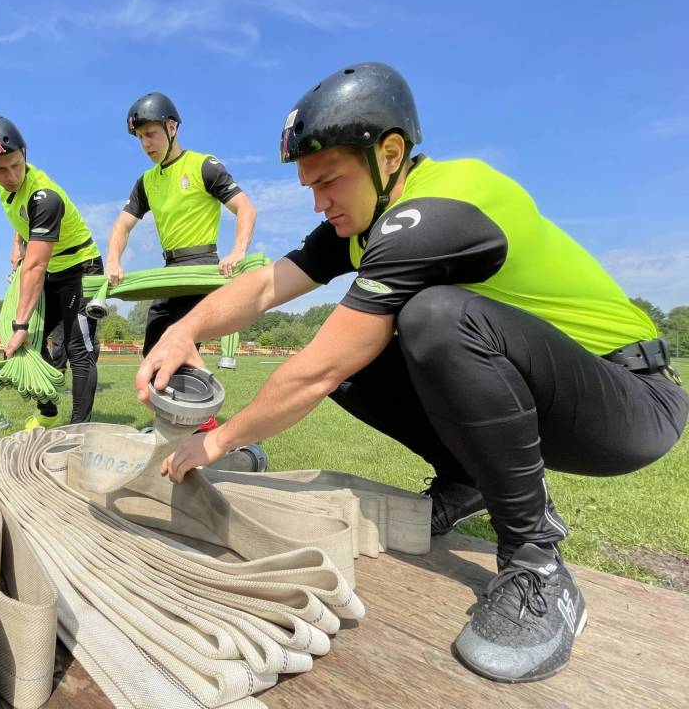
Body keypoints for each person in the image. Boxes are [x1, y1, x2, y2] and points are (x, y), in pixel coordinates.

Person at [136, 63, 688, 684]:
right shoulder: (366, 221)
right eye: (308, 186)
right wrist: (185, 330)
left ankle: (537, 563)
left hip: (633, 403)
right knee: (369, 356)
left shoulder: (440, 207)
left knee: (430, 318)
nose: (318, 202)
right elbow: (267, 284)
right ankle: (466, 480)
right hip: (555, 393)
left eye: (329, 181)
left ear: (390, 154)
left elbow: (320, 369)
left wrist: (216, 442)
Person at [105, 93, 257, 431]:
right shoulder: (146, 181)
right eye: (140, 137)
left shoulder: (204, 165)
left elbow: (245, 208)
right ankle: (183, 425)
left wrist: (238, 251)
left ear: (171, 127)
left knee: (178, 350)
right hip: (169, 272)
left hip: (201, 268)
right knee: (153, 351)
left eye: (151, 134)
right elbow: (122, 225)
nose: (146, 143)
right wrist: (113, 260)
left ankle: (203, 427)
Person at [0, 114, 103, 428]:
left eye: (17, 165)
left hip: (80, 269)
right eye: (0, 169)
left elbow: (36, 264)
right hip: (50, 269)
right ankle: (48, 412)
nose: (12, 175)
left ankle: (79, 428)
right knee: (34, 343)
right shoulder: (4, 188)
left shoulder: (45, 197)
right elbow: (22, 219)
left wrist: (19, 324)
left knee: (77, 348)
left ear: (25, 153)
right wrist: (16, 243)